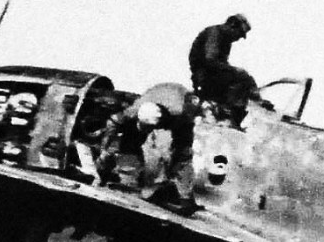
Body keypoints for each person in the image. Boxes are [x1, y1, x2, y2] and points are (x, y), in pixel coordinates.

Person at [97, 83, 199, 215]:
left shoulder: (180, 116)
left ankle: (185, 198)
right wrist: (104, 151)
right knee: (131, 141)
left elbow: (183, 149)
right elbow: (112, 123)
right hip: (156, 94)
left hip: (178, 102)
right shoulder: (135, 110)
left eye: (149, 129)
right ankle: (131, 176)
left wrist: (175, 169)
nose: (147, 132)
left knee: (182, 154)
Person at [188, 13, 257, 125]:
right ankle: (230, 116)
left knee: (245, 78)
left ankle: (232, 112)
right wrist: (235, 71)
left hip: (211, 74)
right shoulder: (214, 34)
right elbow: (210, 60)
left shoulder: (226, 40)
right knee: (242, 79)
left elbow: (221, 63)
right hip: (204, 75)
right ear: (232, 25)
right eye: (238, 34)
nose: (238, 38)